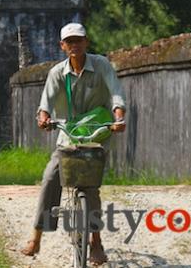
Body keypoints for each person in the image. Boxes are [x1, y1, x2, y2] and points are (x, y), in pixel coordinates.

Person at [21, 22, 126, 265]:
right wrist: (44, 118)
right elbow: (45, 103)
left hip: (98, 134)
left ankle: (96, 241)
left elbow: (117, 93)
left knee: (90, 188)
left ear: (86, 42)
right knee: (50, 178)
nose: (74, 45)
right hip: (68, 134)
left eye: (78, 40)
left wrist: (119, 117)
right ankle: (36, 237)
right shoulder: (57, 72)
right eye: (69, 42)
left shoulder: (101, 65)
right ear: (62, 46)